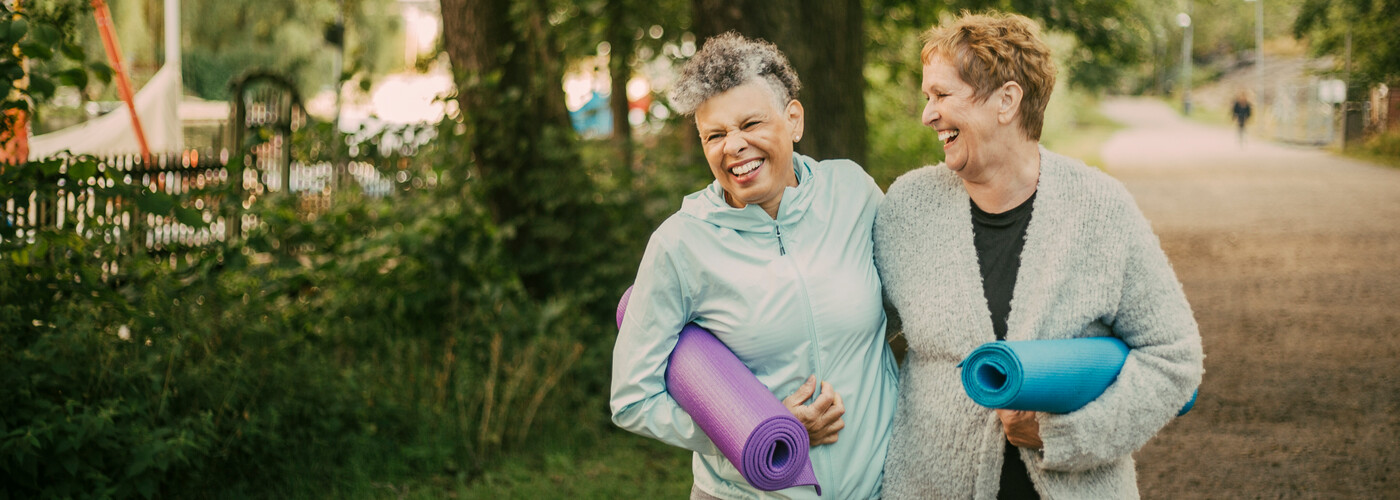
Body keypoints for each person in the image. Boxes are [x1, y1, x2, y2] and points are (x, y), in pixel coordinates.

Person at [872, 12, 1204, 499]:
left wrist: (1065, 437)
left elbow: (1174, 358)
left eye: (942, 96)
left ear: (1007, 100)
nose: (927, 114)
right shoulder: (906, 209)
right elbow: (854, 331)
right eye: (927, 98)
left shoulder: (1100, 209)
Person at [610, 32, 899, 500]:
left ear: (793, 119)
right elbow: (632, 399)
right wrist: (754, 434)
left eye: (750, 124)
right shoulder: (679, 244)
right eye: (716, 135)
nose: (734, 147)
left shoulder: (853, 192)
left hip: (882, 487)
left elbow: (909, 312)